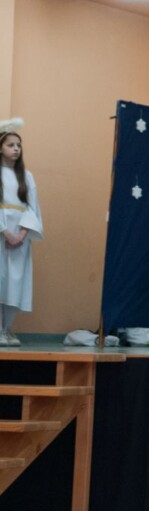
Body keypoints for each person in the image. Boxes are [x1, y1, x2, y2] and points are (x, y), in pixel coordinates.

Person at [0, 119, 42, 347]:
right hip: (3, 232)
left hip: (20, 235)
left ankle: (8, 328)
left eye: (18, 145)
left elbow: (32, 208)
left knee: (14, 282)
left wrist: (21, 234)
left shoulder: (27, 176)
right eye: (10, 145)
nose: (16, 149)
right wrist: (6, 232)